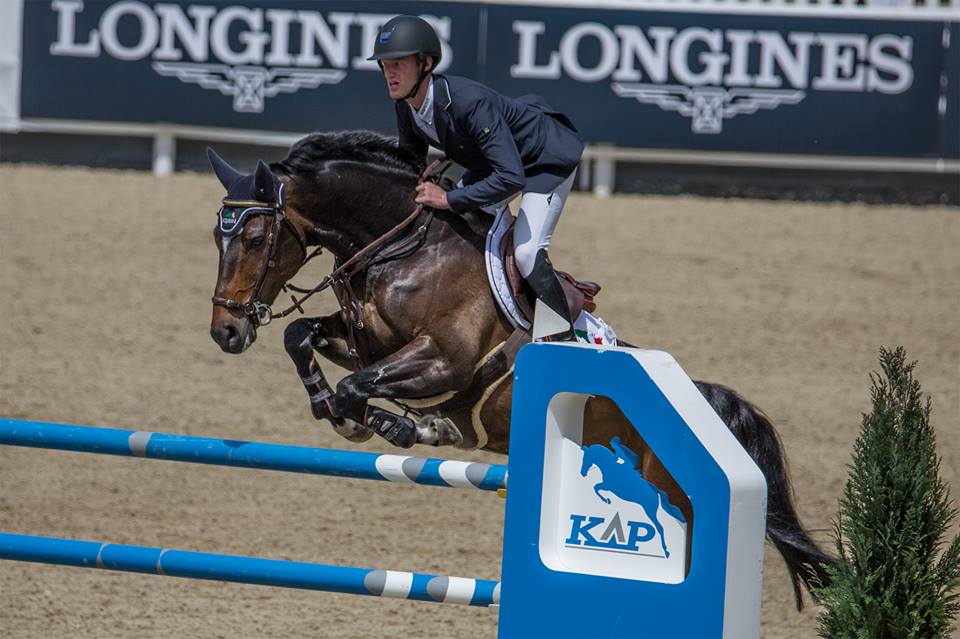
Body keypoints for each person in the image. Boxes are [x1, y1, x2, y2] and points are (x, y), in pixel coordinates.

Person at [368, 15, 585, 341]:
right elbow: (408, 165)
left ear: (426, 64)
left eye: (398, 64)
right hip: (496, 164)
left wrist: (448, 198)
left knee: (526, 253)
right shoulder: (406, 106)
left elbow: (511, 177)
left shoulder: (469, 101)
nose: (389, 73)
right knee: (450, 225)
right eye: (385, 65)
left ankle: (564, 340)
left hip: (544, 160)